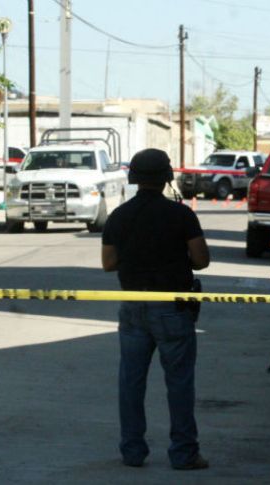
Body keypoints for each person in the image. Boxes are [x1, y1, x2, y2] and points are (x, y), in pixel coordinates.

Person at [101, 148, 211, 470]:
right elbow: (202, 260)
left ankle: (133, 452)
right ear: (167, 177)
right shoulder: (181, 215)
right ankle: (184, 453)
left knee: (131, 382)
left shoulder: (119, 215)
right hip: (172, 309)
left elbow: (108, 263)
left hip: (134, 307)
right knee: (179, 382)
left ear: (133, 178)